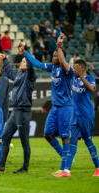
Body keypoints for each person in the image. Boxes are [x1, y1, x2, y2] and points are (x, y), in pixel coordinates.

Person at [24, 34, 74, 176]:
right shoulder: (52, 68)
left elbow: (64, 62)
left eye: (56, 56)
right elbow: (38, 64)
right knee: (47, 134)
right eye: (53, 55)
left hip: (66, 107)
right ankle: (65, 156)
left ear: (61, 56)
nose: (54, 57)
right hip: (55, 108)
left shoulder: (67, 70)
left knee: (65, 137)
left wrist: (59, 48)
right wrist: (26, 52)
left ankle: (65, 169)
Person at [53, 39, 99, 177]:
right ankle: (66, 170)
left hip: (86, 115)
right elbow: (64, 63)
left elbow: (91, 89)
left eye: (76, 67)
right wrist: (59, 47)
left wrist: (82, 78)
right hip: (75, 115)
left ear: (83, 68)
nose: (74, 68)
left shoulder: (90, 78)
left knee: (87, 140)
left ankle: (98, 167)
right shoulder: (73, 75)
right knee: (73, 141)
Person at [0, 43, 36, 173]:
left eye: (24, 62)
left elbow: (31, 66)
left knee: (24, 141)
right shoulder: (19, 75)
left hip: (23, 112)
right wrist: (4, 59)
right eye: (21, 61)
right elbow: (10, 72)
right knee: (5, 136)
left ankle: (25, 168)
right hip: (15, 111)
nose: (22, 63)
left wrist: (25, 53)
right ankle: (1, 165)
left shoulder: (30, 76)